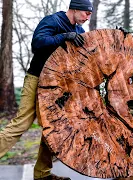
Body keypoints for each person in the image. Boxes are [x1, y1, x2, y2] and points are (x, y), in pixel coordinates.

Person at [0, 0, 93, 179]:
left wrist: (119, 41)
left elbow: (92, 53)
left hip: (56, 86)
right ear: (75, 9)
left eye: (90, 14)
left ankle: (42, 175)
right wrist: (64, 36)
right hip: (36, 78)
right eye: (86, 13)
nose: (88, 17)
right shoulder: (53, 21)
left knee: (52, 129)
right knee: (21, 124)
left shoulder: (80, 32)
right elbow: (38, 43)